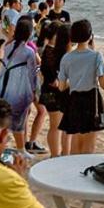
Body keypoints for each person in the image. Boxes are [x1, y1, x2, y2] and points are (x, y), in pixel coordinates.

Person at [0, 16, 39, 153]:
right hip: (18, 90)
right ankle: (21, 150)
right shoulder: (29, 51)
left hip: (2, 88)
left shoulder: (7, 46)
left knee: (2, 121)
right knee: (18, 122)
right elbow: (32, 74)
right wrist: (34, 92)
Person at [57, 19, 104, 155]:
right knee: (89, 145)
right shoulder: (97, 56)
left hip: (74, 100)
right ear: (90, 36)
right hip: (91, 99)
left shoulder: (67, 57)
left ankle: (73, 172)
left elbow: (61, 87)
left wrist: (74, 80)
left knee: (75, 141)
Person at [37, 21, 71, 156]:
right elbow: (54, 81)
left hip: (50, 92)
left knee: (57, 126)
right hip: (54, 94)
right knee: (56, 126)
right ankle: (55, 155)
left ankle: (57, 154)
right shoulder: (51, 51)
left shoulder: (51, 50)